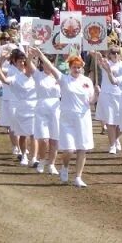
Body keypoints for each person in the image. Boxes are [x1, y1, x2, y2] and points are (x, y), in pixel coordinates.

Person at [32, 48, 96, 187]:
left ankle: (78, 177)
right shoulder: (63, 79)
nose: (77, 70)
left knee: (82, 148)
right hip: (67, 118)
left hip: (83, 118)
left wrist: (97, 93)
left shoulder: (88, 82)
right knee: (69, 150)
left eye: (79, 67)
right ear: (70, 67)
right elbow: (50, 66)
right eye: (74, 67)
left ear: (82, 68)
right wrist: (41, 55)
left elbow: (91, 100)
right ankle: (65, 167)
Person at [0, 49, 36, 166]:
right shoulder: (11, 70)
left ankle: (33, 157)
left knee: (34, 133)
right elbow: (2, 75)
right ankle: (17, 148)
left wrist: (32, 57)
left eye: (24, 61)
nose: (22, 63)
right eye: (20, 61)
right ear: (15, 61)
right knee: (16, 128)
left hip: (31, 105)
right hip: (13, 101)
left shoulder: (30, 72)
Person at [27, 48, 60, 174]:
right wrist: (30, 56)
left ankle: (51, 164)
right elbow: (28, 64)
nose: (47, 66)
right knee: (43, 139)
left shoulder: (58, 76)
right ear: (41, 64)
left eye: (49, 64)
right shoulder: (37, 75)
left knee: (54, 139)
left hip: (56, 108)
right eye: (45, 64)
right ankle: (42, 160)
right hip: (41, 107)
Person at [94, 46, 122, 154]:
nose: (115, 54)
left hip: (120, 95)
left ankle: (116, 138)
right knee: (110, 121)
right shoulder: (105, 62)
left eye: (117, 52)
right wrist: (96, 50)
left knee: (121, 123)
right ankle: (112, 144)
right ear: (109, 53)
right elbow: (95, 56)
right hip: (107, 94)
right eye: (113, 52)